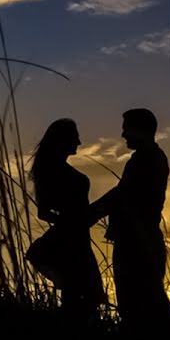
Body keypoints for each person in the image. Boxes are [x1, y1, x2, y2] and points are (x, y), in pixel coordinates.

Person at [90, 108, 170, 338]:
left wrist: (90, 213)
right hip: (139, 239)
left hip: (138, 241)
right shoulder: (147, 158)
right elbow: (122, 194)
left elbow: (123, 195)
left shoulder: (148, 159)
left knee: (140, 308)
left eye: (127, 129)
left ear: (141, 129)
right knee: (145, 306)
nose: (123, 135)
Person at [28, 118, 105, 325]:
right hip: (73, 240)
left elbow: (44, 213)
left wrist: (71, 222)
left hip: (73, 237)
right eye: (75, 137)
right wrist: (74, 222)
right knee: (82, 296)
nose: (79, 142)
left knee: (77, 295)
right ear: (63, 140)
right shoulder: (57, 173)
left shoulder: (50, 171)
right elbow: (47, 213)